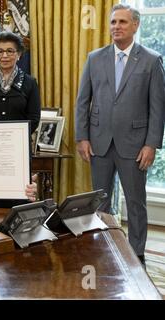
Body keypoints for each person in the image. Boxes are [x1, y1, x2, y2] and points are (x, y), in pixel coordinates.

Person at [75, 4, 165, 264]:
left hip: (135, 146)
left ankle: (137, 253)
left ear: (135, 25)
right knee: (100, 203)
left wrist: (151, 144)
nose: (117, 27)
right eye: (113, 22)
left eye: (123, 22)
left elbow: (158, 108)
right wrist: (83, 137)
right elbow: (83, 101)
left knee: (136, 203)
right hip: (99, 143)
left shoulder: (151, 60)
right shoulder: (94, 58)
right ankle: (104, 246)